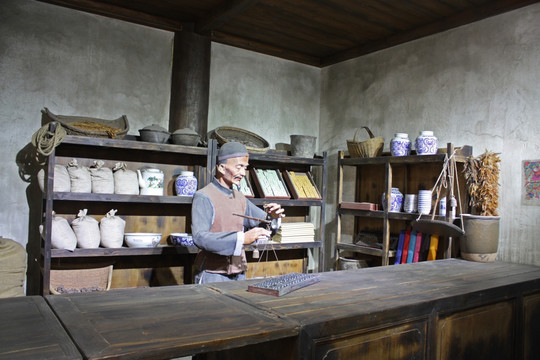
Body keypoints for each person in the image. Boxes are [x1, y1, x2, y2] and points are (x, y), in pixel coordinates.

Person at [191, 141, 285, 284]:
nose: (242, 173)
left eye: (245, 168)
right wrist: (241, 238)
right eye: (239, 167)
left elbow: (264, 225)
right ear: (222, 168)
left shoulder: (240, 198)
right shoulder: (203, 196)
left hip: (239, 272)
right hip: (212, 274)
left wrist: (273, 217)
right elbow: (200, 238)